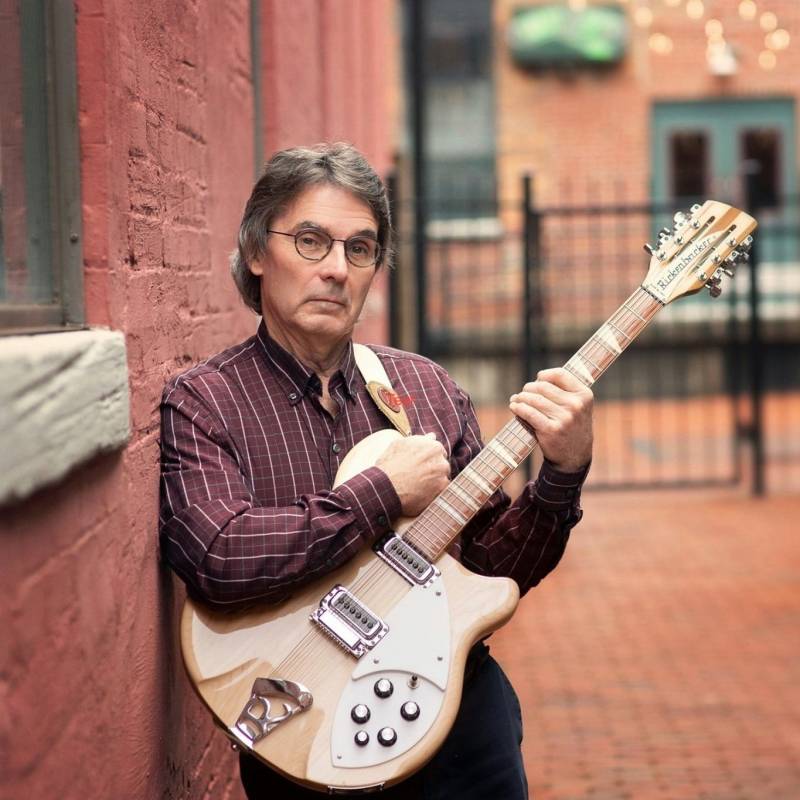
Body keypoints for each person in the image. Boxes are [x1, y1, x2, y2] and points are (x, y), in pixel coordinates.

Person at [159, 142, 593, 799]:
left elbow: (490, 570)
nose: (336, 269)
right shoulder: (206, 401)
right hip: (304, 732)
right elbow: (218, 555)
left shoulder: (427, 390)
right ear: (256, 252)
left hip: (458, 722)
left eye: (359, 249)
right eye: (311, 241)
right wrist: (382, 492)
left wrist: (563, 472)